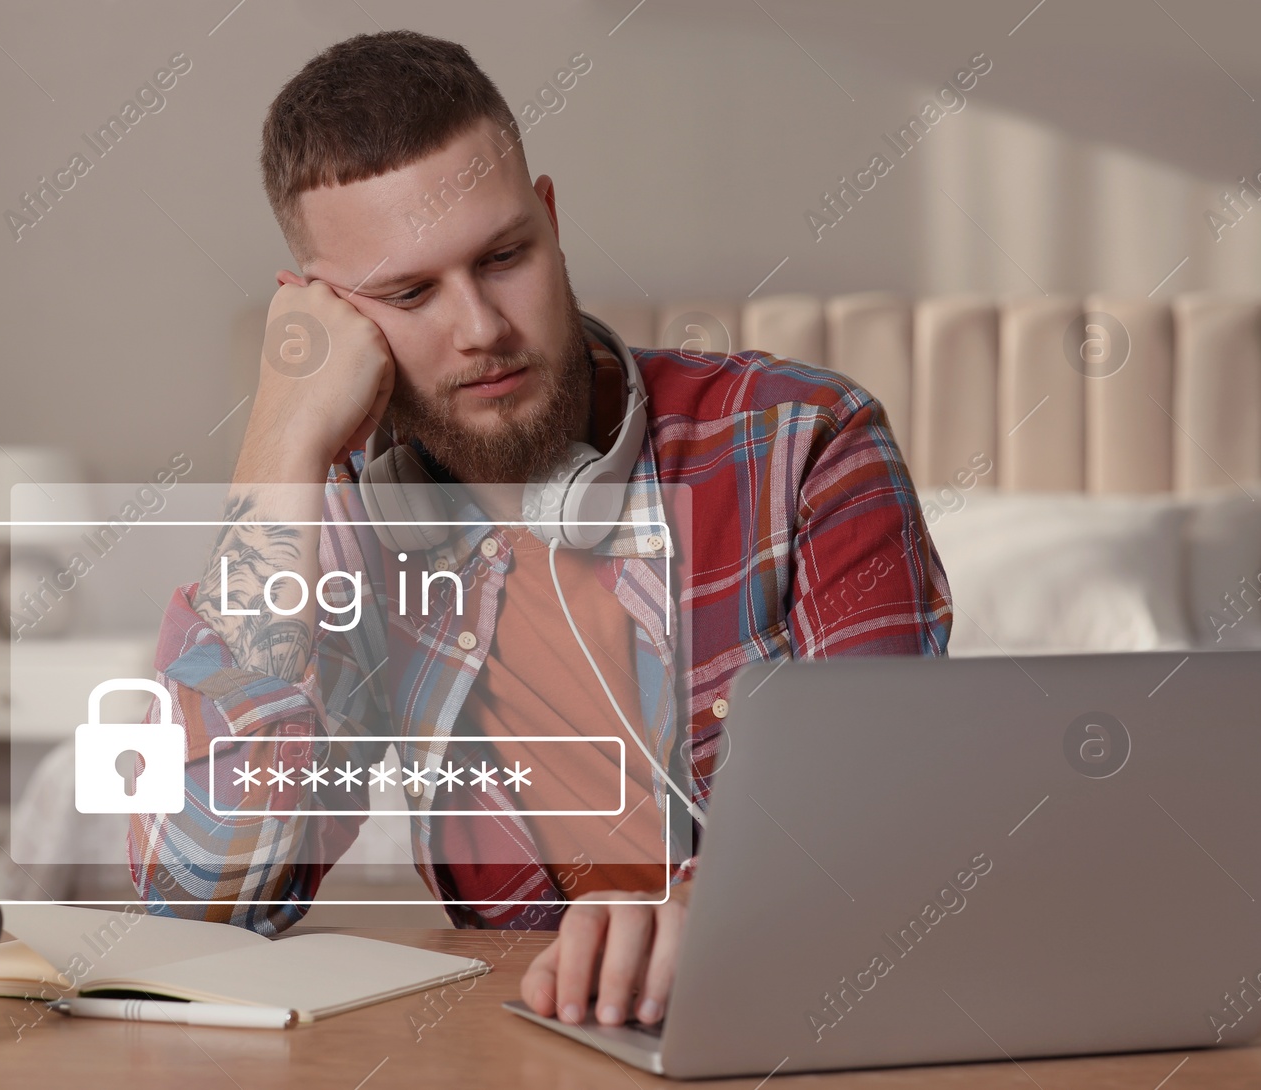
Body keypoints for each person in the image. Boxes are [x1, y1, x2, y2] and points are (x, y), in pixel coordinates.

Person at [130, 29, 952, 1032]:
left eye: (503, 256)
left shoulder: (802, 442)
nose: (479, 327)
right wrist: (278, 452)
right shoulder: (342, 527)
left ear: (551, 221)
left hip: (805, 1025)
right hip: (528, 1045)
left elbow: (900, 833)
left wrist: (705, 908)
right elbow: (202, 896)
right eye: (409, 293)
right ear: (322, 319)